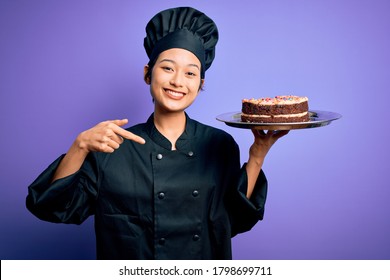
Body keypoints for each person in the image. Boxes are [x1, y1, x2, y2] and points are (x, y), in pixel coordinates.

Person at [26, 7, 288, 260]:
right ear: (147, 73)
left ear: (200, 84)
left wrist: (257, 155)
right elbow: (51, 208)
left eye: (190, 73)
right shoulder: (111, 146)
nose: (177, 81)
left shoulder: (220, 144)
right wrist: (80, 146)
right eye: (167, 68)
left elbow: (235, 221)